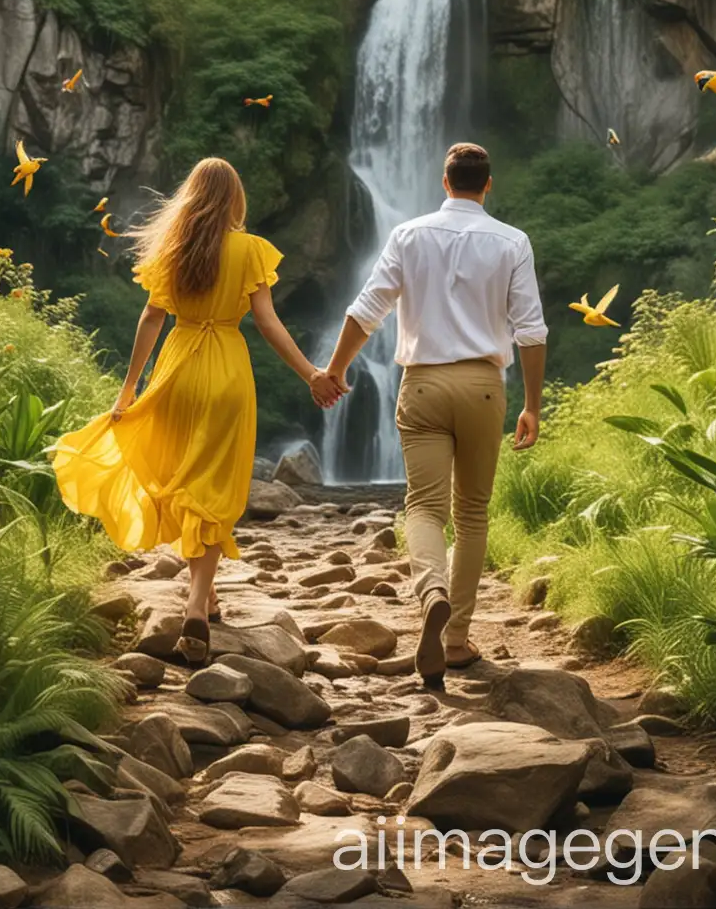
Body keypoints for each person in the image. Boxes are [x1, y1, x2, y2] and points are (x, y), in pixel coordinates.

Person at [52, 156, 341, 665]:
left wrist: (129, 389)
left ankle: (204, 596)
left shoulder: (174, 249)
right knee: (212, 489)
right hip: (227, 372)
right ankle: (197, 603)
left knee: (185, 483)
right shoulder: (250, 250)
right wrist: (312, 374)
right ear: (235, 199)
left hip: (178, 368)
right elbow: (269, 323)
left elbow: (150, 318)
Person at [322, 141, 547, 687]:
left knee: (424, 508)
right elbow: (532, 330)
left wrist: (334, 371)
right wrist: (533, 406)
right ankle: (456, 639)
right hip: (483, 388)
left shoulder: (409, 234)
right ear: (487, 185)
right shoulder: (512, 241)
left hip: (421, 385)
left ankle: (431, 594)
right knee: (472, 514)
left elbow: (366, 309)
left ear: (444, 183)